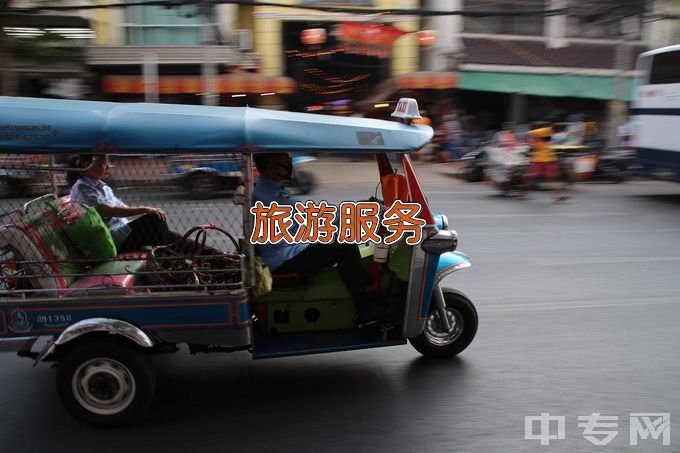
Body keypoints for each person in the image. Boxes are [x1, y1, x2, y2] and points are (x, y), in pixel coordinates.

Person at [252, 152, 390, 326]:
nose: (289, 165)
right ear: (273, 168)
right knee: (344, 245)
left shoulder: (270, 189)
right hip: (284, 257)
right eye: (284, 162)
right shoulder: (272, 196)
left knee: (340, 236)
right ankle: (365, 308)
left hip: (287, 248)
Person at [68, 153, 218, 255]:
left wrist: (144, 212)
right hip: (114, 240)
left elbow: (122, 208)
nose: (108, 167)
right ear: (87, 165)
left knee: (171, 236)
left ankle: (213, 255)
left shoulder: (101, 186)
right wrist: (146, 210)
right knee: (155, 220)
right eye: (104, 164)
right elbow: (110, 210)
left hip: (123, 233)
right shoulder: (83, 188)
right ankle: (169, 262)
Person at [520, 126, 569, 202]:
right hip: (539, 162)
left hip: (546, 161)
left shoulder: (544, 141)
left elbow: (530, 134)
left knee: (552, 179)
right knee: (530, 178)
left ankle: (558, 196)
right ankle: (523, 192)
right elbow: (530, 134)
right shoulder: (539, 139)